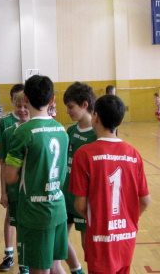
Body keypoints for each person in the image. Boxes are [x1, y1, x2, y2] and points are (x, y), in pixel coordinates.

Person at [70, 95, 151, 274]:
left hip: (100, 237)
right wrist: (128, 221)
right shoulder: (133, 154)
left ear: (96, 117)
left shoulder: (84, 154)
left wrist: (98, 218)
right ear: (120, 122)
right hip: (126, 238)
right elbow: (145, 201)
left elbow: (80, 204)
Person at [5, 75, 68, 274]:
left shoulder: (22, 132)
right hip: (58, 207)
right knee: (56, 265)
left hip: (35, 212)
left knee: (38, 270)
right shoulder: (61, 130)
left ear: (25, 98)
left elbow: (10, 177)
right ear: (52, 100)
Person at [62, 82, 97, 274]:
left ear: (84, 105)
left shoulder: (96, 135)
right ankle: (76, 270)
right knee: (59, 238)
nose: (67, 111)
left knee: (87, 246)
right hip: (66, 195)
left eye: (70, 107)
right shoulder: (70, 131)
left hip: (85, 200)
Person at [0, 92, 30, 273]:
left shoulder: (36, 130)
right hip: (13, 188)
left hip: (30, 188)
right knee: (11, 217)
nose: (22, 110)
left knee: (26, 225)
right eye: (19, 106)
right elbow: (3, 164)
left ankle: (25, 260)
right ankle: (9, 254)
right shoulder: (9, 132)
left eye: (26, 106)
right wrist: (3, 192)